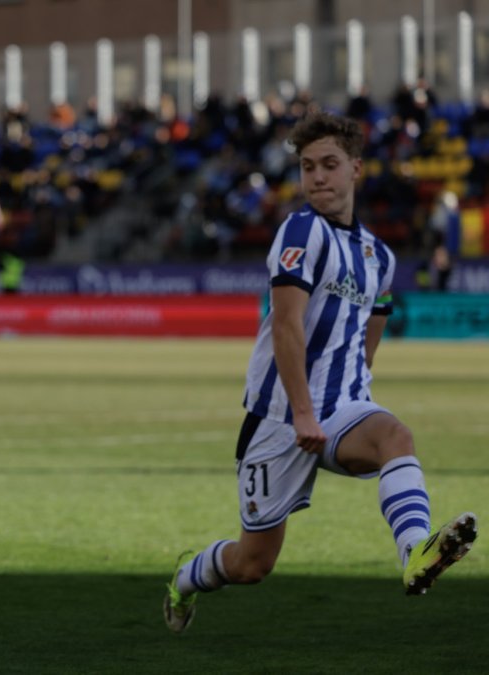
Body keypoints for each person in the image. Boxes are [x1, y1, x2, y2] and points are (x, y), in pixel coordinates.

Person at [162, 110, 477, 634]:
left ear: (356, 169)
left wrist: (351, 402)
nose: (318, 178)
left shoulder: (381, 257)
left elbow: (367, 342)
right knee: (253, 564)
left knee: (396, 435)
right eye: (308, 167)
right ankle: (185, 577)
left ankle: (414, 554)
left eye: (329, 165)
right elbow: (286, 325)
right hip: (280, 416)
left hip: (342, 406)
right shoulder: (301, 231)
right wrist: (304, 413)